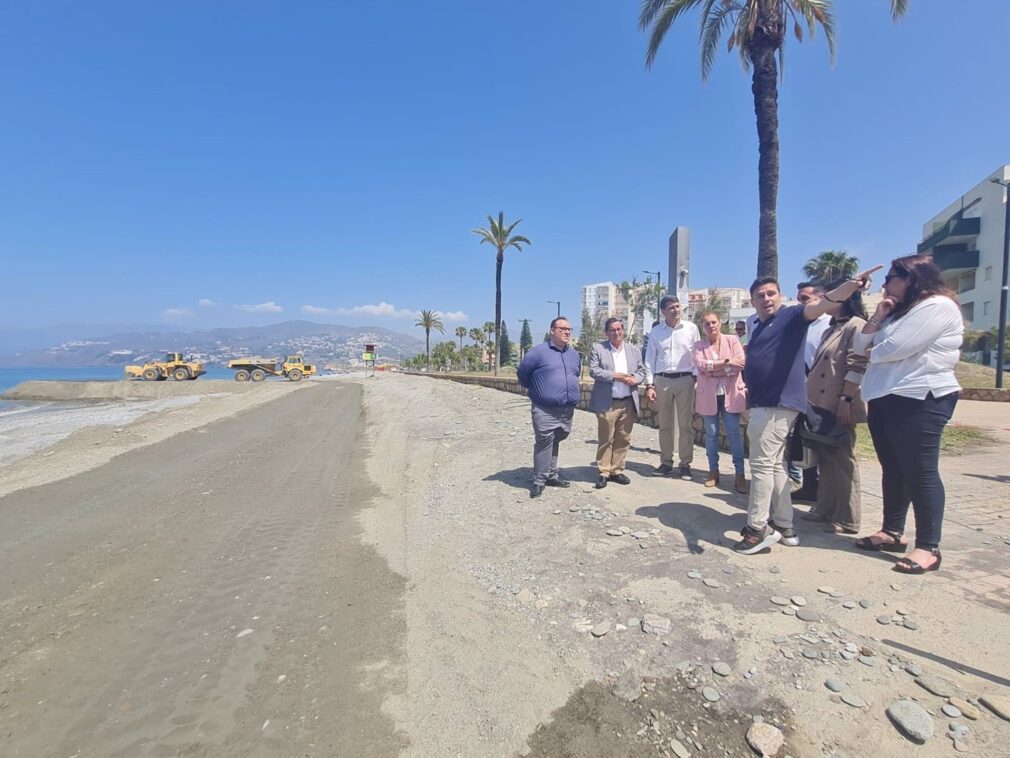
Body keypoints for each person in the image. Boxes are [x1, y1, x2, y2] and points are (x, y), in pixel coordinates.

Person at [734, 267, 880, 555]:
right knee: (775, 466)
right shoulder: (760, 326)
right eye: (760, 295)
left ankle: (757, 529)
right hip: (763, 403)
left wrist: (850, 286)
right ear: (752, 301)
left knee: (761, 465)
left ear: (781, 296)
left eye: (771, 293)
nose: (766, 299)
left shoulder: (790, 316)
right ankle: (786, 526)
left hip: (778, 404)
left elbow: (822, 303)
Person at [853, 255, 963, 574]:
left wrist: (875, 351)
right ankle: (892, 532)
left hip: (921, 397)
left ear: (911, 278)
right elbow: (863, 345)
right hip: (886, 396)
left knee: (920, 470)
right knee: (893, 468)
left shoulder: (937, 306)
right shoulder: (896, 313)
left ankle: (929, 546)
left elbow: (894, 349)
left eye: (891, 278)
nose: (886, 284)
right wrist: (877, 317)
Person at [800, 279, 868, 534]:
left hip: (841, 403)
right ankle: (824, 508)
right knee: (826, 458)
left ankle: (848, 517)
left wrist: (846, 400)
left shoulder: (856, 326)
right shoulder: (830, 329)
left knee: (843, 460)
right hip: (821, 404)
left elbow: (857, 365)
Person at [516, 316, 582, 499]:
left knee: (557, 439)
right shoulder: (537, 353)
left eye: (569, 329)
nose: (567, 332)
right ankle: (539, 480)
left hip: (567, 409)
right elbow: (523, 375)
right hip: (544, 408)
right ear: (552, 330)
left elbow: (576, 372)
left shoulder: (573, 354)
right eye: (562, 329)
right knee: (544, 441)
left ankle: (552, 474)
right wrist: (539, 390)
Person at [644, 295, 701, 480]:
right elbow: (649, 360)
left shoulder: (691, 329)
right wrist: (650, 385)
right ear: (663, 311)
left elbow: (697, 354)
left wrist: (695, 378)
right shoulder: (656, 332)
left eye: (677, 306)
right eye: (671, 307)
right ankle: (666, 462)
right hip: (662, 380)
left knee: (685, 425)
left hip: (685, 379)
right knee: (665, 424)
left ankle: (685, 464)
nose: (676, 310)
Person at [692, 311, 748, 492]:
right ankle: (713, 472)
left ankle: (740, 475)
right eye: (707, 323)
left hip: (731, 394)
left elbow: (740, 363)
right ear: (703, 326)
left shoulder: (732, 340)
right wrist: (726, 363)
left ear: (720, 323)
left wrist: (714, 371)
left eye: (713, 322)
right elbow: (701, 366)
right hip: (709, 396)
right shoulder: (699, 345)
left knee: (734, 434)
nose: (711, 326)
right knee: (712, 434)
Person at [588, 318, 645, 489]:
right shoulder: (598, 348)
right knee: (606, 438)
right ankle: (604, 471)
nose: (617, 333)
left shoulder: (633, 350)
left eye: (619, 329)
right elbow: (594, 370)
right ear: (606, 333)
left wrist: (635, 379)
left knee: (623, 438)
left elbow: (642, 370)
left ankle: (617, 470)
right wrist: (615, 375)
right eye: (613, 330)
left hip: (628, 401)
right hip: (608, 402)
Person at [789, 282, 832, 500]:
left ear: (821, 297)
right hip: (801, 392)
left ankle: (826, 492)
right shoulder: (804, 324)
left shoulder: (828, 325)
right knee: (804, 439)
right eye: (799, 299)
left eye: (805, 299)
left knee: (823, 442)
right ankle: (809, 486)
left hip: (824, 394)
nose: (800, 303)